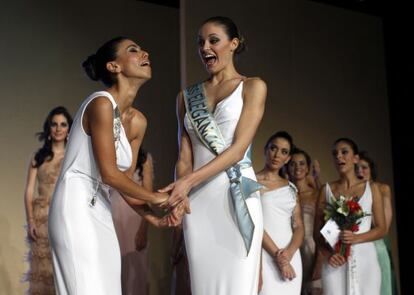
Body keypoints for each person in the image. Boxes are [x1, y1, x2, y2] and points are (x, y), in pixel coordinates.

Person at [48, 37, 175, 294]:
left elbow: (125, 180)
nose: (144, 52)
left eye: (142, 48)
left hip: (102, 208)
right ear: (113, 66)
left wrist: (152, 216)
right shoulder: (100, 103)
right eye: (133, 50)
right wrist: (156, 197)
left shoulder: (138, 121)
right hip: (75, 205)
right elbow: (109, 173)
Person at [160, 16, 267, 295]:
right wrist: (180, 197)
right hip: (198, 202)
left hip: (236, 195)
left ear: (233, 44)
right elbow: (184, 157)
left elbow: (238, 149)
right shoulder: (186, 97)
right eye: (200, 42)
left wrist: (187, 182)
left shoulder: (253, 86)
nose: (205, 47)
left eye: (213, 40)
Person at [314, 138, 386, 295]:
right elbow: (317, 233)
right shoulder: (325, 190)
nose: (339, 156)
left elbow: (382, 228)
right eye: (335, 154)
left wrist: (356, 238)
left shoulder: (371, 188)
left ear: (356, 158)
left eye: (344, 152)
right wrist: (329, 254)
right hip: (335, 261)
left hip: (366, 259)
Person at [23, 106, 72, 294]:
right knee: (42, 271)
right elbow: (28, 191)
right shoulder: (39, 157)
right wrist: (30, 221)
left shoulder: (72, 157)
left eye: (63, 124)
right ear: (49, 128)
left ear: (69, 129)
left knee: (63, 269)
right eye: (54, 124)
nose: (58, 128)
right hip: (42, 219)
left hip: (65, 217)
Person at [257, 131, 304, 295]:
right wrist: (280, 259)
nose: (277, 155)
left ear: (288, 158)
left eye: (284, 152)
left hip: (291, 255)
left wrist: (289, 253)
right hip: (263, 254)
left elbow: (299, 226)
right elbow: (254, 224)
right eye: (273, 148)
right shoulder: (250, 182)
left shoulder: (291, 188)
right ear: (265, 150)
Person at [111, 148, 155, 295]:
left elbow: (148, 196)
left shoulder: (144, 159)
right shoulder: (111, 153)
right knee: (115, 270)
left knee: (135, 271)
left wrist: (144, 228)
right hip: (113, 217)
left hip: (134, 218)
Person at [357, 150, 396, 295]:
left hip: (377, 243)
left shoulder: (382, 188)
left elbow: (384, 225)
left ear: (371, 169)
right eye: (357, 168)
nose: (360, 171)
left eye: (364, 167)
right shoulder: (351, 191)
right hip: (356, 246)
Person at [288, 148, 323, 294]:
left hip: (312, 252)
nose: (297, 168)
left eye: (302, 164)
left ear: (308, 168)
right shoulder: (283, 194)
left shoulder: (317, 195)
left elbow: (325, 230)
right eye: (293, 164)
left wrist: (319, 263)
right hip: (291, 252)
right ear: (287, 166)